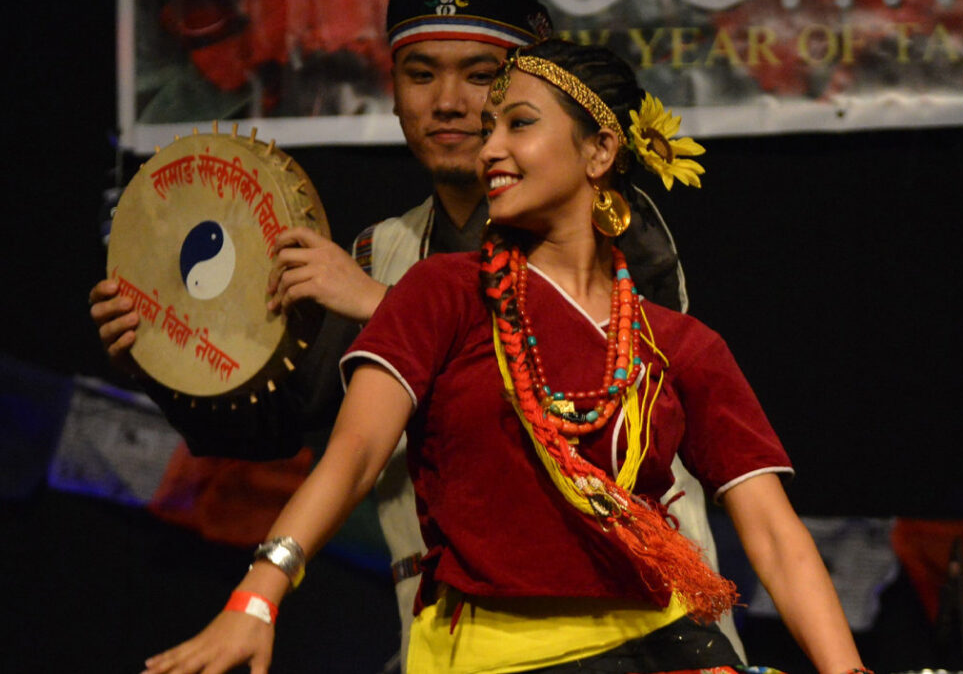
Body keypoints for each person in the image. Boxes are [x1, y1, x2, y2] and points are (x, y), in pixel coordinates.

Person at [141, 38, 869, 674]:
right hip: (487, 656)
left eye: (518, 124)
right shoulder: (439, 294)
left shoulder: (678, 345)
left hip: (663, 647)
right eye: (490, 129)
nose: (489, 148)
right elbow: (355, 455)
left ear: (600, 151)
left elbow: (773, 531)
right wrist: (257, 595)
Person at [90, 0, 739, 668]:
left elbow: (585, 379)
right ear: (393, 92)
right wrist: (161, 353)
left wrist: (380, 304)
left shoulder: (607, 228)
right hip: (455, 641)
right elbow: (282, 427)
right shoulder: (378, 251)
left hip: (646, 631)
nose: (450, 103)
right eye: (421, 74)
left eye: (482, 75)